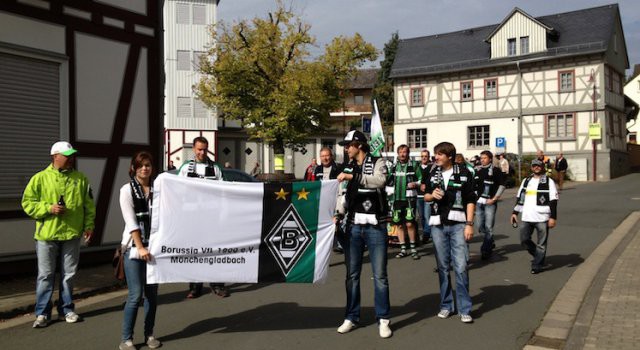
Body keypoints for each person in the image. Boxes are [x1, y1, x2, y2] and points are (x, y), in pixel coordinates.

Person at [22, 141, 96, 328]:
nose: (71, 158)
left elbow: (88, 205)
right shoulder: (39, 178)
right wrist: (48, 208)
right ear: (55, 156)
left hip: (72, 234)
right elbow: (27, 203)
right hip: (47, 234)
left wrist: (89, 225)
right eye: (67, 155)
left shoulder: (81, 179)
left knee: (68, 275)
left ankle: (67, 310)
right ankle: (42, 313)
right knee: (46, 275)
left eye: (72, 155)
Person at [335, 130, 392, 338]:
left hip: (375, 225)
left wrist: (354, 176)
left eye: (349, 145)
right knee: (352, 275)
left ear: (358, 145)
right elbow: (343, 195)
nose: (346, 148)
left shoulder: (377, 162)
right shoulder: (346, 166)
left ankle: (383, 318)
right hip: (353, 225)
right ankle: (351, 316)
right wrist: (337, 214)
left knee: (380, 275)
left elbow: (380, 181)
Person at [423, 142, 476, 323]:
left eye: (439, 154)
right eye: (435, 154)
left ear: (450, 157)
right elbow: (426, 195)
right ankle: (446, 305)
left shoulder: (464, 172)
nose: (435, 157)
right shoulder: (431, 172)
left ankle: (464, 308)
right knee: (443, 267)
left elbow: (470, 199)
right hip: (438, 224)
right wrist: (432, 196)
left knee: (461, 267)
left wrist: (470, 224)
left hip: (459, 225)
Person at [118, 151, 161, 350]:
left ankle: (149, 334)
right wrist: (141, 247)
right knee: (135, 295)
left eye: (148, 165)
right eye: (141, 165)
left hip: (155, 249)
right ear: (134, 168)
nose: (145, 168)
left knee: (152, 295)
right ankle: (126, 339)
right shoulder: (126, 190)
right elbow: (131, 221)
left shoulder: (158, 190)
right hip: (134, 248)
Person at [178, 137, 229, 298]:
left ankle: (217, 285)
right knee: (195, 252)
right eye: (199, 149)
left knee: (215, 251)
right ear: (193, 148)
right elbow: (177, 191)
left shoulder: (215, 168)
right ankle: (195, 287)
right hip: (192, 217)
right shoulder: (186, 168)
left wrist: (223, 215)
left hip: (212, 217)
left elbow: (225, 192)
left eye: (204, 149)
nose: (202, 152)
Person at [511, 159, 559, 274]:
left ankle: (537, 265)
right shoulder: (526, 181)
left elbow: (553, 200)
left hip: (542, 217)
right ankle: (538, 255)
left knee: (541, 244)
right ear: (531, 168)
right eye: (534, 166)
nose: (536, 167)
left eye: (538, 165)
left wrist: (553, 217)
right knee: (524, 240)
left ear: (542, 167)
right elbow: (520, 198)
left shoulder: (548, 181)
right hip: (527, 216)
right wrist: (514, 213)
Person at [388, 144, 422, 260]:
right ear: (398, 153)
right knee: (399, 224)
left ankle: (413, 248)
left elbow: (422, 179)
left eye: (405, 152)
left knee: (409, 223)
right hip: (396, 199)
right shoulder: (393, 166)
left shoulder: (414, 165)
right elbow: (389, 181)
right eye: (401, 152)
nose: (403, 154)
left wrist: (416, 184)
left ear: (408, 154)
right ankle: (403, 249)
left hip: (409, 198)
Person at [473, 151, 505, 260]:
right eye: (481, 158)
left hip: (490, 202)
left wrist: (495, 198)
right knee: (480, 226)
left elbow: (502, 185)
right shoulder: (477, 170)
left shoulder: (496, 170)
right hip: (479, 202)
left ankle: (485, 250)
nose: (482, 160)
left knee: (488, 227)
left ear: (490, 159)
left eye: (484, 158)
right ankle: (489, 241)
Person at [314, 147, 343, 252]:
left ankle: (342, 244)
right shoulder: (316, 169)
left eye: (327, 155)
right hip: (321, 201)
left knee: (338, 222)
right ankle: (324, 244)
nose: (325, 158)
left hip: (335, 200)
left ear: (331, 156)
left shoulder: (339, 168)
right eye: (322, 156)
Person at [416, 150, 433, 244]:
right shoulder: (417, 167)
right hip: (418, 195)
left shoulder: (432, 168)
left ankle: (426, 234)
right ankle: (427, 231)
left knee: (427, 216)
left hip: (428, 196)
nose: (424, 158)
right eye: (422, 156)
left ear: (429, 157)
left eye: (426, 156)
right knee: (421, 216)